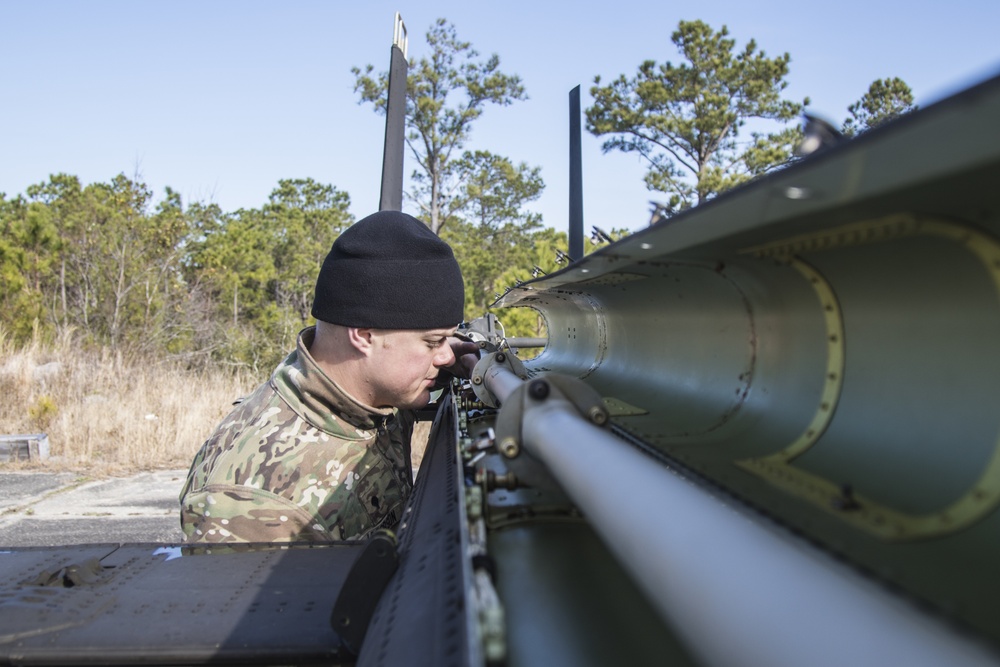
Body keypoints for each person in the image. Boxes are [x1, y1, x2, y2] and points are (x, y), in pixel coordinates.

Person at [179, 210, 478, 543]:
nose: (445, 355)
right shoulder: (253, 506)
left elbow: (407, 355)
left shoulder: (362, 384)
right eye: (433, 341)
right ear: (364, 336)